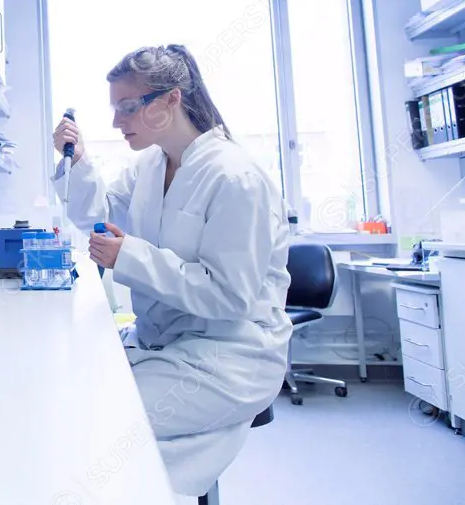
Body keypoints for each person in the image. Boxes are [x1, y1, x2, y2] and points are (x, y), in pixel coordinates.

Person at [52, 44, 292, 499]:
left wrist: (130, 256)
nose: (117, 122)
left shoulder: (234, 177)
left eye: (127, 107)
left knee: (96, 421)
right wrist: (78, 160)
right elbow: (98, 213)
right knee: (76, 392)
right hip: (168, 340)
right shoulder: (151, 165)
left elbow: (229, 297)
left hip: (230, 354)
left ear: (170, 99)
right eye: (114, 109)